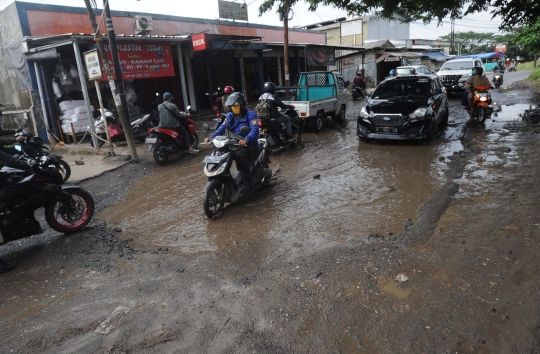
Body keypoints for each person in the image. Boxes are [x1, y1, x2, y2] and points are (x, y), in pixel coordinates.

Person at [204, 92, 260, 193]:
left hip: (248, 145)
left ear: (242, 105)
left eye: (236, 106)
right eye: (232, 106)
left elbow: (254, 129)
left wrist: (246, 139)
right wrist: (211, 137)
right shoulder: (230, 116)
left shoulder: (251, 115)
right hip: (232, 143)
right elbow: (222, 128)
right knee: (219, 153)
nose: (234, 108)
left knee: (239, 156)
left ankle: (248, 180)